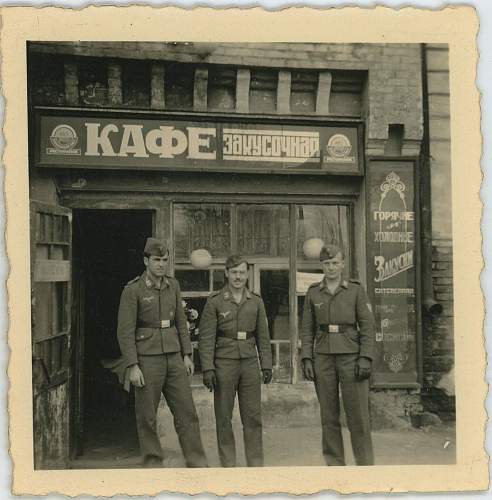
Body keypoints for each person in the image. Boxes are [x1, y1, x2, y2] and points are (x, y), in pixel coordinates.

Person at [117, 237, 208, 468]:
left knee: (187, 412)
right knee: (147, 416)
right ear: (146, 261)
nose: (161, 264)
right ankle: (152, 463)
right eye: (156, 260)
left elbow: (180, 320)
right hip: (147, 360)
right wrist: (132, 365)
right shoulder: (133, 289)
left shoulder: (173, 285)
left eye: (164, 260)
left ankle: (197, 462)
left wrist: (187, 354)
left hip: (174, 356)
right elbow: (124, 331)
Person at [300, 244, 375, 466]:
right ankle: (335, 465)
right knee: (328, 415)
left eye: (335, 263)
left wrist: (365, 357)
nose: (331, 267)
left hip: (351, 357)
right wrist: (307, 357)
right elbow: (307, 328)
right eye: (326, 263)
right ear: (321, 265)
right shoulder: (314, 292)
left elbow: (368, 326)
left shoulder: (355, 290)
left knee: (358, 415)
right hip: (323, 356)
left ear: (342, 264)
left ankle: (365, 465)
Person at [198, 254, 272, 467]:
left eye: (242, 272)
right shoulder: (215, 302)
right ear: (226, 274)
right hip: (224, 363)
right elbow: (206, 338)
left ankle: (255, 464)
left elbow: (263, 336)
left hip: (249, 363)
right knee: (223, 417)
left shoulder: (256, 301)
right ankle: (228, 465)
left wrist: (266, 363)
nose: (238, 277)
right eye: (234, 272)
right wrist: (208, 369)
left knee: (253, 417)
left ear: (247, 274)